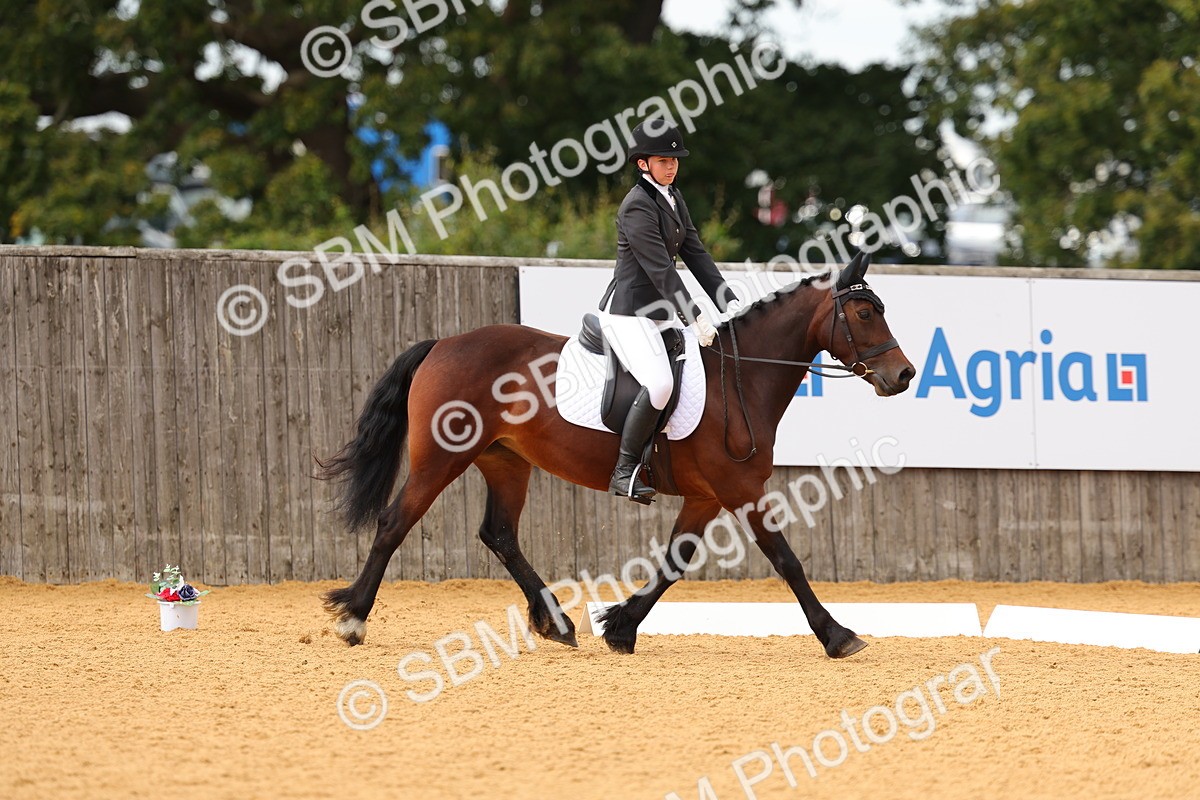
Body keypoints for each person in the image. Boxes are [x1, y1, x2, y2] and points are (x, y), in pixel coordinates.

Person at [597, 118, 741, 503]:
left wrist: (728, 301)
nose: (672, 166)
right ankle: (624, 471)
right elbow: (661, 269)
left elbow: (695, 253)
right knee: (660, 384)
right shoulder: (636, 206)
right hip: (629, 314)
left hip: (659, 312)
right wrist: (695, 317)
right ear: (642, 163)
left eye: (675, 159)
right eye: (663, 160)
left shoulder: (672, 197)